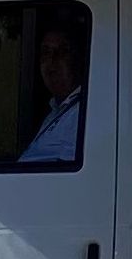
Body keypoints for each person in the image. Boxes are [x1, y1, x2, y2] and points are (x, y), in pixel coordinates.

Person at [18, 20, 86, 165]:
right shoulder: (56, 109)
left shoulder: (84, 113)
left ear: (77, 58)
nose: (52, 60)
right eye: (46, 52)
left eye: (62, 52)